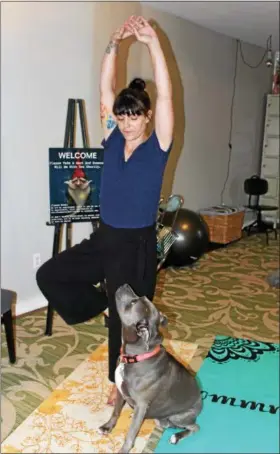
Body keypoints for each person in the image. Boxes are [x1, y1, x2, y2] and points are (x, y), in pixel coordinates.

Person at [36, 15, 174, 405]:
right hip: (106, 237)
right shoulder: (112, 139)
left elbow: (165, 95)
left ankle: (121, 384)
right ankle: (100, 305)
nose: (127, 122)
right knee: (51, 275)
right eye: (122, 115)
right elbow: (104, 87)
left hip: (137, 246)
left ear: (147, 117)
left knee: (131, 324)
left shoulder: (158, 146)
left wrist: (152, 44)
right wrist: (114, 44)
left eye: (135, 115)